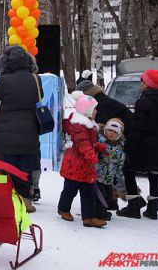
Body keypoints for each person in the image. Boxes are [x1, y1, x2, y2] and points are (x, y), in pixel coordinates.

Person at [0, 45, 42, 212]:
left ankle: (11, 200)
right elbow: (40, 96)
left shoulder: (5, 80)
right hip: (29, 131)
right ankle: (26, 202)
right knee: (26, 168)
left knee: (9, 169)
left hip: (7, 132)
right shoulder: (35, 79)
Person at [118, 69, 158, 220]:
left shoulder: (144, 101)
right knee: (154, 174)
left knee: (128, 171)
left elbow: (137, 127)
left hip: (142, 145)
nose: (141, 84)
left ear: (148, 84)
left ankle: (133, 206)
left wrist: (130, 145)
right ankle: (153, 209)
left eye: (142, 81)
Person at [57, 94, 107, 228]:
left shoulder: (90, 125)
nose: (96, 111)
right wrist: (92, 156)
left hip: (85, 166)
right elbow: (82, 143)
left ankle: (89, 217)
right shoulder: (79, 125)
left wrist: (98, 147)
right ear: (87, 110)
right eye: (94, 109)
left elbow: (89, 143)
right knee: (70, 190)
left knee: (88, 192)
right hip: (75, 164)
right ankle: (63, 209)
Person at [95, 118, 125, 221]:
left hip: (110, 178)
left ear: (119, 135)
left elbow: (120, 163)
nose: (111, 133)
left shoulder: (120, 147)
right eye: (109, 130)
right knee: (100, 196)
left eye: (115, 132)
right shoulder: (100, 143)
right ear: (105, 130)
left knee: (108, 195)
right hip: (98, 176)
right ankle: (101, 214)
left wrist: (118, 176)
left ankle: (102, 211)